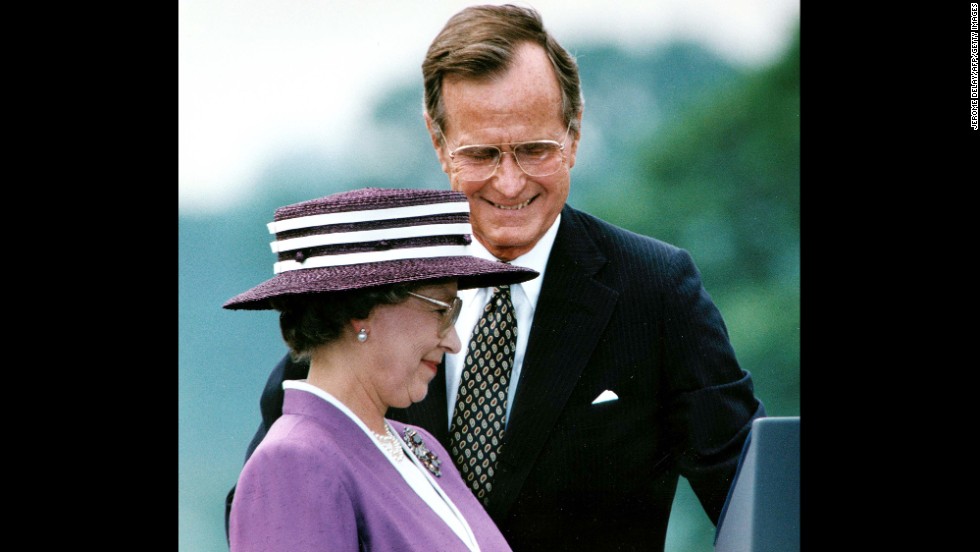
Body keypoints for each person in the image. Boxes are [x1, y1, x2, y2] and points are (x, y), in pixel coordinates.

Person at [227, 4, 767, 551]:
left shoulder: (655, 290)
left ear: (574, 135)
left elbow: (759, 500)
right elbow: (276, 503)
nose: (510, 184)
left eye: (535, 150)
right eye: (482, 154)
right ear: (439, 143)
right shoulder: (365, 288)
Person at [223, 187, 538, 551]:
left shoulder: (416, 446)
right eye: (440, 310)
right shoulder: (294, 460)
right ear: (361, 310)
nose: (454, 342)